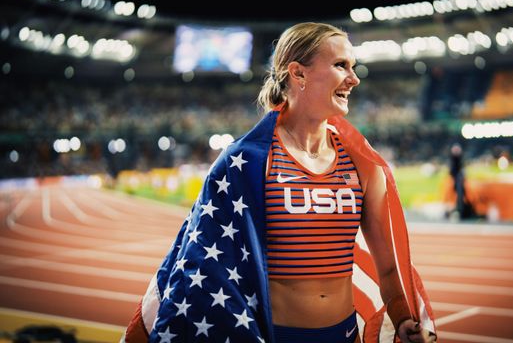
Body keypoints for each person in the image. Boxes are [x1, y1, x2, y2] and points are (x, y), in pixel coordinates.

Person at [124, 22, 436, 342]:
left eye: (353, 67)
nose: (354, 79)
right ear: (298, 73)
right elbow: (205, 266)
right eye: (341, 65)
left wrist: (402, 319)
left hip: (345, 336)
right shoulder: (244, 162)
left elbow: (388, 268)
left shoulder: (363, 164)